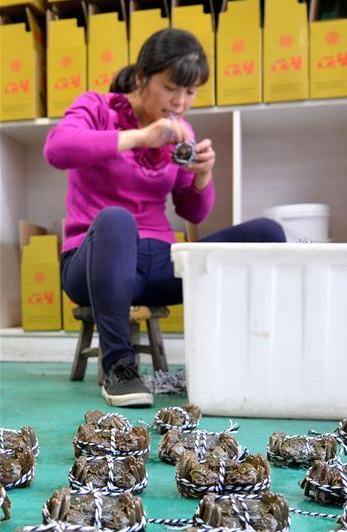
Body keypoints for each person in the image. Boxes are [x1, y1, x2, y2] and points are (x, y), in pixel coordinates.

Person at [45, 28, 285, 408]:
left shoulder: (180, 133)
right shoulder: (97, 108)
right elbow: (57, 149)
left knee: (268, 233)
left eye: (190, 92)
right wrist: (139, 137)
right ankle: (120, 368)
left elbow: (191, 211)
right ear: (142, 78)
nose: (181, 102)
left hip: (159, 263)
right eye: (172, 88)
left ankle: (248, 359)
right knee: (117, 219)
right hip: (94, 263)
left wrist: (203, 175)